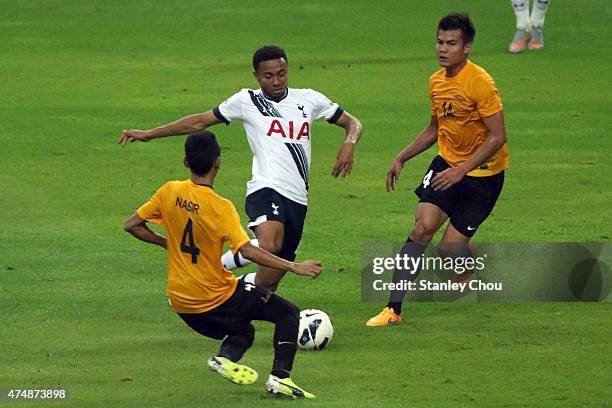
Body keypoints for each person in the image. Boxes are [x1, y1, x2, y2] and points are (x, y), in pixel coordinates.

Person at [119, 45, 363, 292]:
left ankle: (222, 286)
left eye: (282, 73)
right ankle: (212, 264)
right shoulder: (246, 101)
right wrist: (149, 134)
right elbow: (199, 121)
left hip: (298, 198)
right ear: (257, 76)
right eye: (269, 76)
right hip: (267, 187)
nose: (277, 81)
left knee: (265, 285)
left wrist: (349, 143)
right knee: (269, 244)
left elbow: (353, 123)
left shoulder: (309, 99)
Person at [124, 131, 322, 398]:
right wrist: (293, 266)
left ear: (185, 161)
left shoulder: (169, 191)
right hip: (216, 296)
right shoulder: (220, 207)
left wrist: (167, 244)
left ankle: (225, 360)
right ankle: (280, 379)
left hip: (182, 302)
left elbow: (132, 225)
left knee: (244, 331)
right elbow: (248, 251)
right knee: (288, 314)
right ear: (218, 162)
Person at [366, 12, 509, 327]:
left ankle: (465, 262)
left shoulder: (481, 83)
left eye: (452, 43)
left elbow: (498, 136)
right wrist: (403, 156)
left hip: (483, 176)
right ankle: (393, 310)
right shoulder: (436, 81)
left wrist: (463, 170)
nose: (443, 49)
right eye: (440, 42)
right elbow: (436, 128)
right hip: (446, 165)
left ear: (467, 47)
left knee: (449, 249)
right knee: (421, 229)